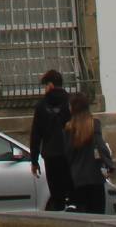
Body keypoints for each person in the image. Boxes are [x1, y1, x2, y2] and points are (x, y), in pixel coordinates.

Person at [29, 69, 74, 211]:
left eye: (45, 86)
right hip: (70, 154)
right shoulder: (72, 102)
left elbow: (36, 135)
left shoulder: (41, 106)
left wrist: (34, 161)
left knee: (56, 194)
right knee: (72, 193)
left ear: (51, 85)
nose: (44, 89)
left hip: (51, 155)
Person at [64, 91, 115, 214]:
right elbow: (101, 147)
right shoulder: (94, 124)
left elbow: (68, 154)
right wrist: (109, 165)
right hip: (95, 177)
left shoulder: (69, 128)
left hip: (78, 178)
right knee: (98, 214)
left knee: (82, 215)